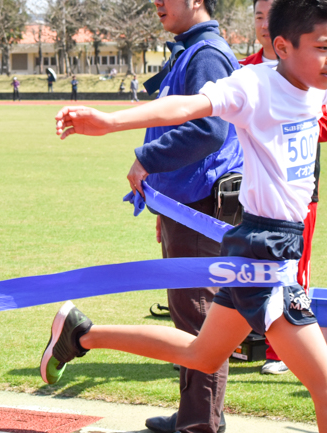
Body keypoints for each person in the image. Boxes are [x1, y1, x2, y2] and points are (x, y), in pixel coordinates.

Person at [47, 0, 327, 432]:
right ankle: (83, 335)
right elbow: (187, 108)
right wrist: (110, 121)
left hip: (269, 248)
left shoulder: (315, 85)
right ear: (283, 45)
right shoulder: (252, 86)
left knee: (203, 354)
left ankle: (81, 334)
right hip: (265, 257)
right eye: (321, 47)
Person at [52, 2, 243, 433]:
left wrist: (147, 160)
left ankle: (200, 424)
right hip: (188, 203)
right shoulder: (192, 50)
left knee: (198, 320)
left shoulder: (206, 53)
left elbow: (208, 130)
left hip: (201, 205)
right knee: (191, 315)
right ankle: (199, 415)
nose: (157, 2)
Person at [239, 0, 327, 376]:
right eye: (259, 16)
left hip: (296, 196)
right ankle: (247, 339)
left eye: (271, 16)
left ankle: (279, 352)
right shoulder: (245, 72)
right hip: (251, 196)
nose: (264, 24)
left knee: (295, 271)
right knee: (248, 275)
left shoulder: (311, 74)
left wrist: (296, 110)